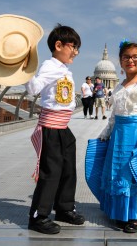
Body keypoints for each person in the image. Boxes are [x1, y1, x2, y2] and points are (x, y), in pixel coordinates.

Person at [85, 40, 137, 233]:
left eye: (135, 57)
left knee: (133, 172)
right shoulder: (118, 87)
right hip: (118, 135)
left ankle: (136, 215)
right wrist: (106, 132)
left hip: (135, 133)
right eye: (126, 57)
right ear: (120, 62)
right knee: (117, 171)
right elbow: (114, 115)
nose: (130, 60)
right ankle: (120, 212)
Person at [25, 24, 85, 235]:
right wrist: (25, 69)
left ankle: (64, 208)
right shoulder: (50, 66)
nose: (76, 52)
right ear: (59, 45)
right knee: (50, 173)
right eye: (73, 46)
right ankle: (38, 217)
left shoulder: (63, 69)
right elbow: (34, 88)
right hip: (51, 127)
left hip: (63, 128)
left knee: (68, 170)